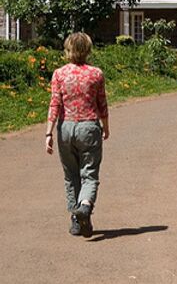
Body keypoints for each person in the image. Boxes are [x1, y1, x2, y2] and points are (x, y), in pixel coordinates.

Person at [45, 32, 109, 238]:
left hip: (66, 128)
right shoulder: (96, 74)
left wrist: (48, 132)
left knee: (71, 176)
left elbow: (55, 104)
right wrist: (105, 126)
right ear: (88, 50)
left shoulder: (59, 74)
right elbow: (102, 104)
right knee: (89, 174)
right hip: (89, 126)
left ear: (68, 50)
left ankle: (76, 220)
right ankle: (85, 206)